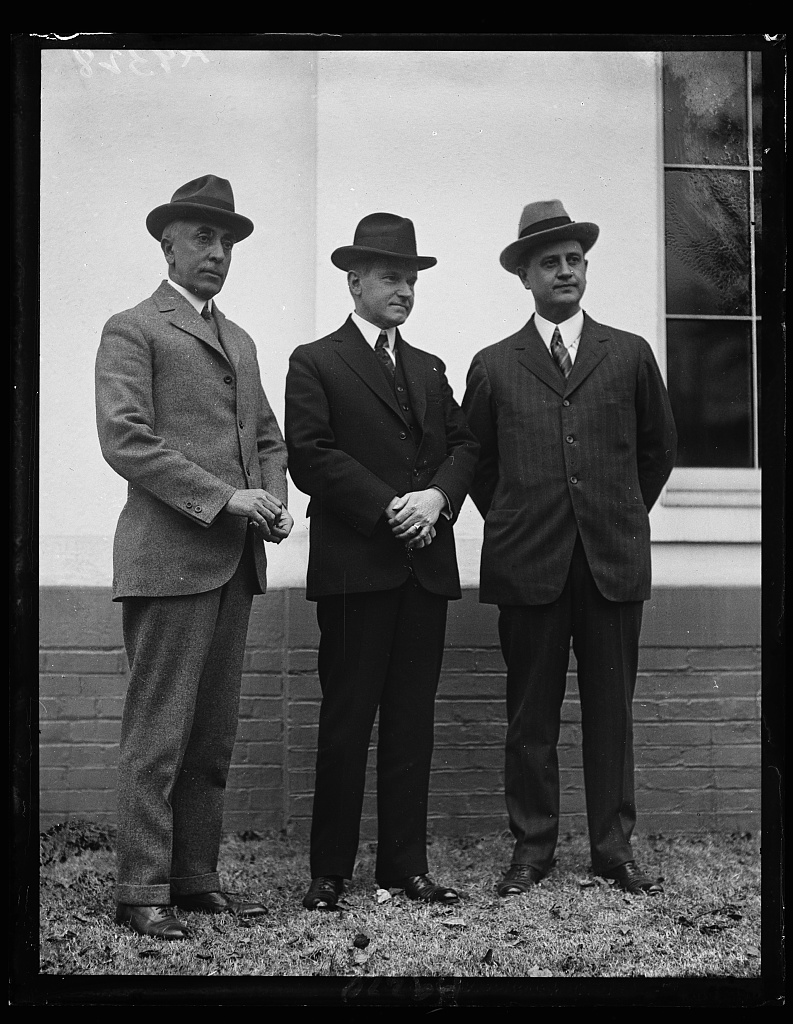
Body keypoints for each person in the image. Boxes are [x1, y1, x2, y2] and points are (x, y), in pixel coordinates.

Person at [95, 174, 293, 940]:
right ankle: (139, 889)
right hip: (168, 559)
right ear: (167, 242)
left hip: (234, 564)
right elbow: (126, 439)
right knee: (158, 735)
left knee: (212, 737)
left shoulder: (239, 339)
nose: (217, 252)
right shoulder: (133, 327)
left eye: (227, 241)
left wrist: (271, 498)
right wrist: (225, 497)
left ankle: (193, 879)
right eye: (202, 237)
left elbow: (269, 439)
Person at [463, 200, 677, 897]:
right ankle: (531, 848)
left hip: (611, 562)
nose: (565, 271)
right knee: (530, 716)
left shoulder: (629, 354)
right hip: (528, 566)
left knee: (611, 713)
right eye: (549, 262)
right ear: (523, 275)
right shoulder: (494, 365)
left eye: (573, 260)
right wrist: (520, 518)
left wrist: (611, 513)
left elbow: (657, 449)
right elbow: (478, 463)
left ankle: (613, 850)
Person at [285, 213, 479, 910]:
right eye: (390, 277)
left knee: (410, 722)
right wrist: (389, 506)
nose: (403, 290)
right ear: (354, 281)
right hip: (355, 569)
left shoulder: (428, 367)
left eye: (411, 279)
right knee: (346, 719)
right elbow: (310, 455)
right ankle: (328, 872)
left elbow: (464, 446)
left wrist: (435, 499)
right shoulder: (316, 360)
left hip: (422, 572)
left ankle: (404, 867)